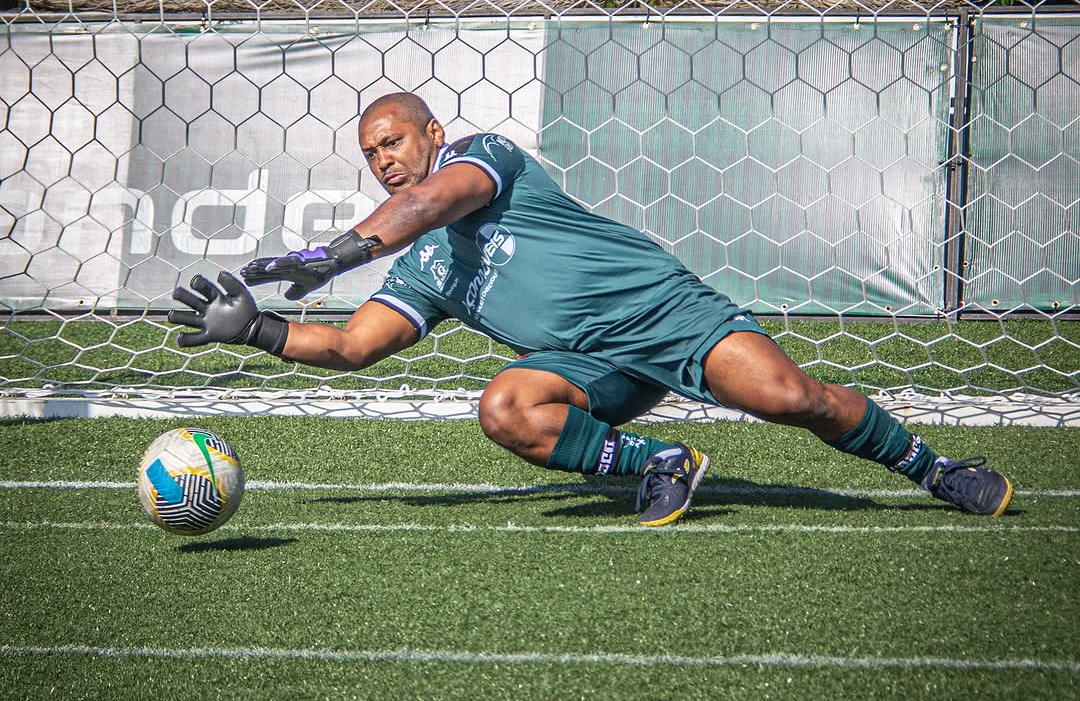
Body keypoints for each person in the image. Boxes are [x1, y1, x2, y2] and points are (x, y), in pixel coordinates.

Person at [169, 92, 1013, 525]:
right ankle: (660, 462)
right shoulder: (422, 265)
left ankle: (936, 471)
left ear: (431, 135)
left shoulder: (485, 158)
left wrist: (338, 253)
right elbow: (354, 346)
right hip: (590, 371)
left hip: (660, 313)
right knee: (505, 406)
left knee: (797, 400)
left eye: (394, 142)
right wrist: (256, 331)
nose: (385, 160)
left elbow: (426, 205)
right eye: (370, 153)